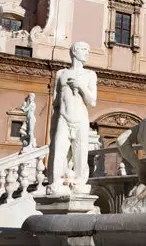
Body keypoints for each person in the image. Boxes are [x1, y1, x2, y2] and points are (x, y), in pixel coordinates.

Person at [47, 41, 98, 195]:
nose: (87, 53)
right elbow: (55, 103)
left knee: (80, 154)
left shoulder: (90, 75)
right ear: (74, 51)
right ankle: (57, 181)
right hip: (63, 117)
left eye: (88, 50)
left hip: (80, 119)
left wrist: (81, 86)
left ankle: (80, 182)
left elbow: (92, 101)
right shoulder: (60, 74)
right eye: (84, 49)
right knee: (58, 151)